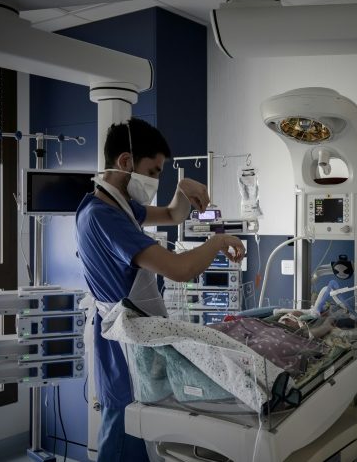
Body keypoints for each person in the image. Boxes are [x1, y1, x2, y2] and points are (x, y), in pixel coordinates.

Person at [75, 118, 245, 462]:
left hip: (137, 337)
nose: (154, 181)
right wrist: (217, 241)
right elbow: (180, 269)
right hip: (125, 347)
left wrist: (183, 188)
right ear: (125, 162)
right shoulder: (103, 218)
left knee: (136, 431)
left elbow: (171, 214)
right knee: (125, 437)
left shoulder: (117, 207)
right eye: (152, 171)